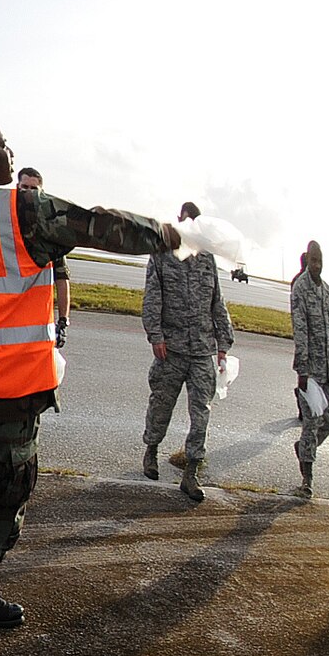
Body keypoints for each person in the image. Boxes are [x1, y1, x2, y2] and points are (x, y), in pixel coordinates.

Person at [0, 113, 177, 656]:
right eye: (2, 146)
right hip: (16, 391)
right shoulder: (21, 208)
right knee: (7, 497)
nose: (9, 154)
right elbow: (100, 226)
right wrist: (166, 236)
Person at [140, 202, 233, 502]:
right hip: (172, 347)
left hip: (202, 349)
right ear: (179, 221)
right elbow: (152, 295)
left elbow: (217, 301)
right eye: (187, 221)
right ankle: (151, 451)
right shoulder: (163, 253)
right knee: (161, 404)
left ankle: (191, 472)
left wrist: (224, 343)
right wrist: (155, 334)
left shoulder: (207, 259)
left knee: (201, 413)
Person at [291, 240, 329, 497]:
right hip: (310, 371)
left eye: (320, 261)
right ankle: (307, 479)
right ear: (307, 261)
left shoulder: (327, 291)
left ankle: (303, 448)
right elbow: (299, 330)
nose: (317, 266)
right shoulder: (300, 289)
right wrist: (302, 370)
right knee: (311, 422)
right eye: (314, 261)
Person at [15, 168, 73, 346]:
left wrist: (63, 321)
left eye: (34, 189)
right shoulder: (5, 222)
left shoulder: (49, 232)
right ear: (17, 187)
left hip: (37, 321)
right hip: (3, 317)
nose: (28, 193)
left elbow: (62, 280)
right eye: (25, 187)